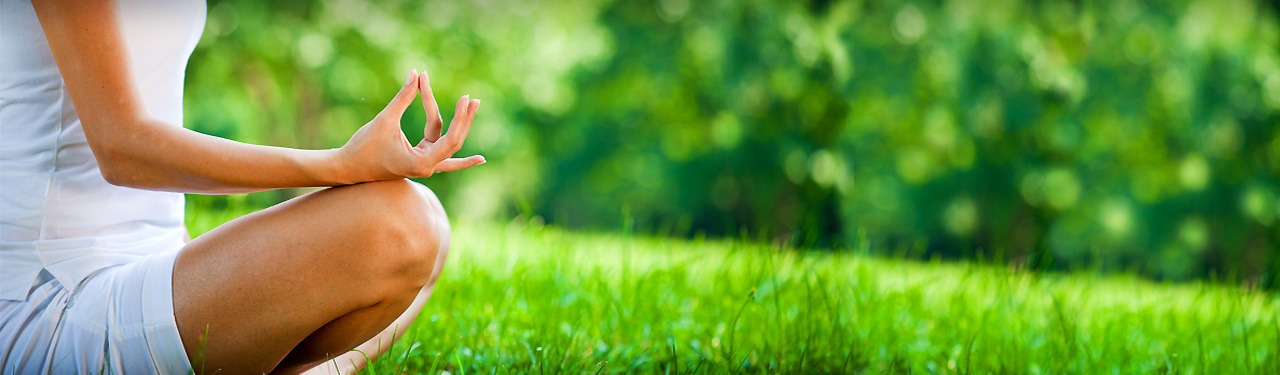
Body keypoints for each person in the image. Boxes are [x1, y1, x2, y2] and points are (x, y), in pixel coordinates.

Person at [0, 0, 485, 373]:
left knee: (430, 232)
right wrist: (340, 164)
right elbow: (122, 147)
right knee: (400, 227)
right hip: (50, 302)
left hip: (147, 262)